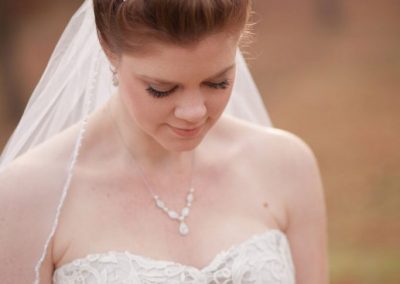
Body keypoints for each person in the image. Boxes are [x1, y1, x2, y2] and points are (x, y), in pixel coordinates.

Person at [0, 0, 328, 283]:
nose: (193, 112)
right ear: (108, 48)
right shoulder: (28, 193)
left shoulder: (287, 165)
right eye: (161, 88)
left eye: (217, 82)